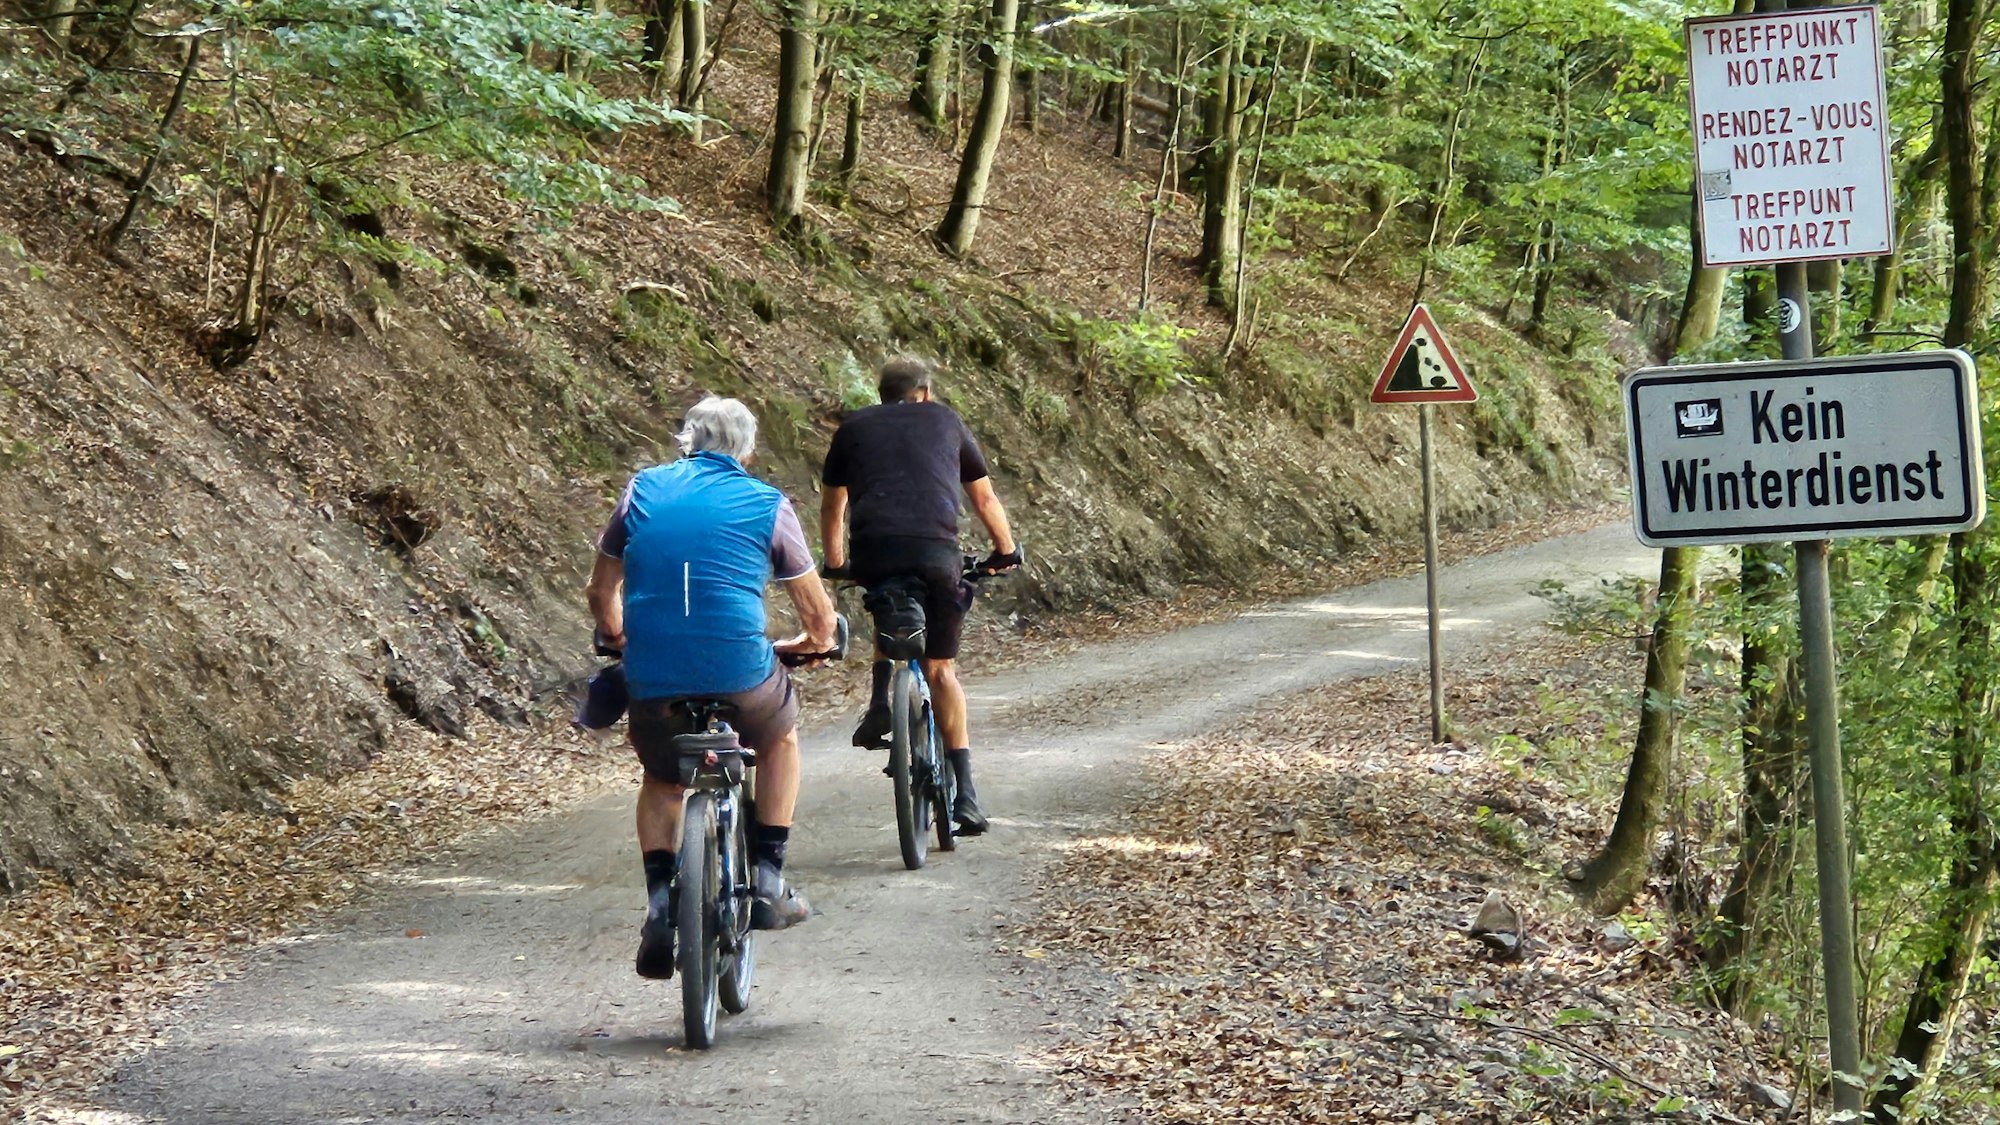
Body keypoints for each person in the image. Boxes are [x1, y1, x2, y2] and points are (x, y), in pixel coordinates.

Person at [587, 397, 839, 979]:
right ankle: (770, 876)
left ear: (688, 441)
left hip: (654, 674)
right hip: (743, 671)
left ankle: (658, 901)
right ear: (748, 451)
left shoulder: (641, 491)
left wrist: (620, 637)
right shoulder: (767, 504)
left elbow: (602, 593)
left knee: (660, 775)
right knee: (780, 740)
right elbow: (818, 618)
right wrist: (811, 643)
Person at [818, 356, 1021, 837]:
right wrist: (1005, 551)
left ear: (881, 393)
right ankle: (966, 796)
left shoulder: (854, 427)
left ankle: (878, 703)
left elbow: (834, 503)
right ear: (925, 393)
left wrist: (835, 562)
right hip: (936, 555)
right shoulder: (946, 420)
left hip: (876, 551)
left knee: (889, 603)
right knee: (940, 669)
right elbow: (984, 498)